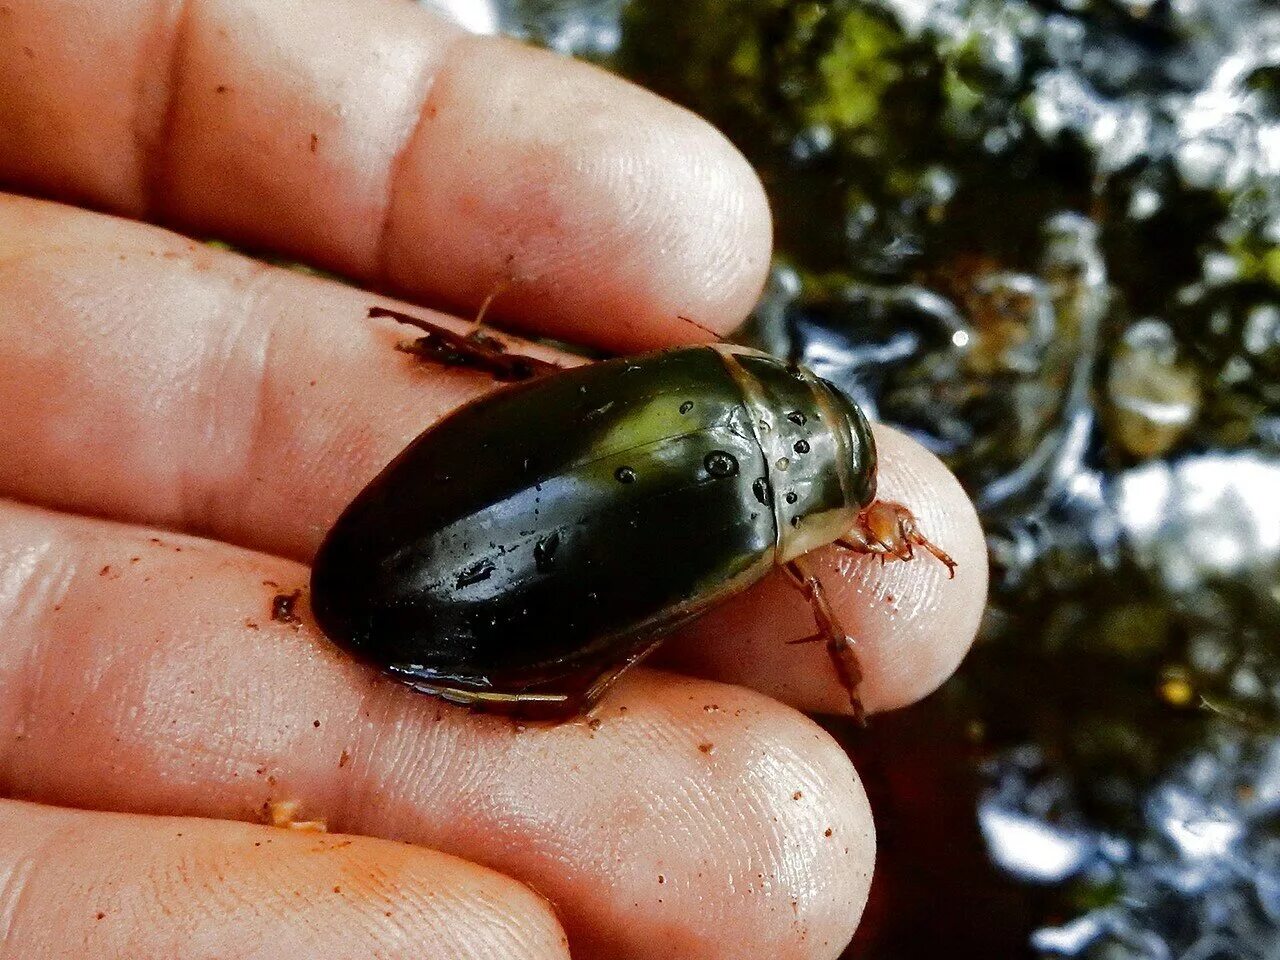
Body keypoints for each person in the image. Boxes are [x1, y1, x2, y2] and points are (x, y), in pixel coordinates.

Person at [0, 1, 987, 957]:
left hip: (448, 545)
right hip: (445, 580)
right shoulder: (760, 533)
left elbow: (556, 383)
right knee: (600, 666)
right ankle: (548, 692)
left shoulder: (699, 386)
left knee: (603, 602)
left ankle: (542, 680)